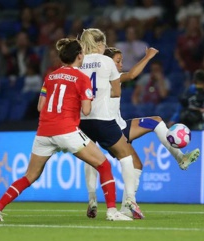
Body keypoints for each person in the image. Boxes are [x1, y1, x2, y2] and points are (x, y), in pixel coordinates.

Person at [0, 38, 132, 222]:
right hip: (67, 130)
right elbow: (86, 110)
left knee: (30, 176)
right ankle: (112, 212)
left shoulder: (50, 76)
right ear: (80, 56)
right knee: (103, 165)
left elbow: (40, 106)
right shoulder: (82, 78)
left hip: (44, 132)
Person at [84, 46, 200, 219]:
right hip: (112, 129)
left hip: (117, 125)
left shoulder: (96, 78)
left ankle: (115, 203)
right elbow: (131, 75)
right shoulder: (110, 77)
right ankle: (125, 204)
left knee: (154, 127)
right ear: (107, 62)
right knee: (129, 161)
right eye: (118, 61)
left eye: (122, 61)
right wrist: (148, 57)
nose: (121, 64)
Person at [78, 28, 142, 219]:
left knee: (92, 158)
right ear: (99, 44)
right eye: (104, 43)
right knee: (126, 157)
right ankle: (130, 201)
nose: (105, 47)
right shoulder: (106, 61)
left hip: (83, 120)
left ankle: (92, 199)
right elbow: (117, 91)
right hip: (103, 119)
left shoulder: (78, 62)